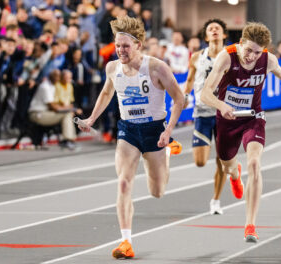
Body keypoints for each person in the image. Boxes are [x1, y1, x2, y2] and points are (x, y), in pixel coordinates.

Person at [201, 22, 281, 242]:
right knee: (227, 166)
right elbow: (205, 93)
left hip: (253, 117)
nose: (251, 56)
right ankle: (234, 174)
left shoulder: (267, 60)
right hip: (227, 119)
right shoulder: (226, 57)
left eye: (257, 52)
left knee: (254, 164)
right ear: (240, 43)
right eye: (248, 50)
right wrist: (222, 106)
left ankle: (250, 225)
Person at [77, 16, 185, 259]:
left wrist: (168, 132)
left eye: (125, 45)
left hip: (155, 130)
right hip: (128, 131)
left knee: (157, 191)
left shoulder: (156, 67)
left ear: (139, 45)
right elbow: (106, 92)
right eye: (117, 45)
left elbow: (180, 98)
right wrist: (92, 119)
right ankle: (126, 240)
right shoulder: (112, 68)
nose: (120, 50)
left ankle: (167, 152)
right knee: (124, 183)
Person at [183, 19, 228, 215]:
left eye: (218, 28)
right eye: (211, 29)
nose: (215, 31)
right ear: (206, 36)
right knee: (200, 162)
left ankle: (216, 200)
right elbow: (191, 79)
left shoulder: (231, 56)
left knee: (222, 160)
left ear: (224, 34)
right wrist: (185, 96)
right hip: (202, 112)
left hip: (224, 112)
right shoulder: (196, 57)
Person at [28, 69, 79, 150]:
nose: (58, 78)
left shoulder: (54, 86)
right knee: (67, 114)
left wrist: (68, 108)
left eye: (59, 76)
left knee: (68, 113)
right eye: (56, 76)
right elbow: (52, 106)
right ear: (50, 76)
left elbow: (58, 103)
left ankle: (70, 140)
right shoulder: (45, 86)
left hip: (46, 113)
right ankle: (68, 140)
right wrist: (68, 108)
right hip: (38, 114)